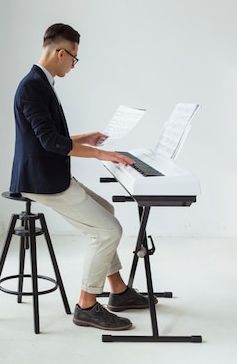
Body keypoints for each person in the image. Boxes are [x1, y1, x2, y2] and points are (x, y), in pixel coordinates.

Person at [9, 23, 155, 331]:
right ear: (61, 52)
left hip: (49, 173)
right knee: (108, 231)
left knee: (106, 212)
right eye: (75, 58)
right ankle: (86, 306)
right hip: (42, 181)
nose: (74, 65)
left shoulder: (40, 83)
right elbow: (50, 143)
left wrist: (85, 138)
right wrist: (103, 154)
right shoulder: (33, 86)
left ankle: (118, 290)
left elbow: (45, 137)